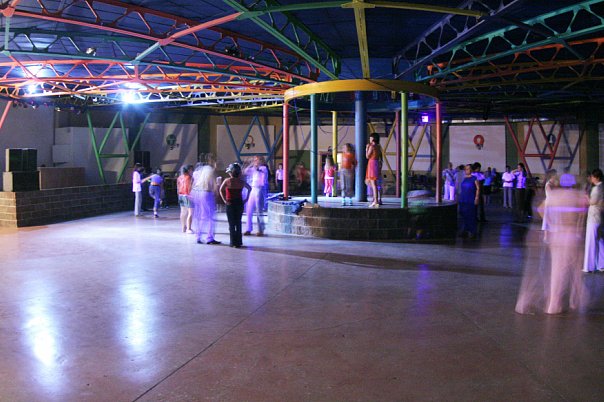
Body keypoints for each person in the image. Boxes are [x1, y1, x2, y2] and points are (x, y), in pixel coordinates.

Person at [220, 163, 251, 248]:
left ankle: (233, 242)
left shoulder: (227, 181)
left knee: (231, 223)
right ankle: (239, 242)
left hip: (230, 203)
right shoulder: (241, 182)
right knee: (238, 222)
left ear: (231, 172)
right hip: (239, 203)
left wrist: (224, 200)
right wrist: (246, 199)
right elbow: (249, 188)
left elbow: (221, 190)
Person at [191, 162, 221, 245]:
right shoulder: (210, 173)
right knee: (210, 217)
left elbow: (193, 184)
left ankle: (198, 236)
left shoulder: (198, 173)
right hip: (206, 194)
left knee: (200, 216)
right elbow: (214, 187)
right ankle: (210, 238)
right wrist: (218, 186)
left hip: (197, 192)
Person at [583, 168, 604, 273]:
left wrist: (587, 197)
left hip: (594, 217)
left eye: (592, 176)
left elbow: (592, 202)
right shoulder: (602, 187)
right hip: (600, 217)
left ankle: (589, 266)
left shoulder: (596, 189)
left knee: (590, 242)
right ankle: (601, 264)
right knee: (600, 241)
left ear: (597, 177)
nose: (591, 178)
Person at [244, 156, 268, 236]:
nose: (255, 161)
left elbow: (259, 171)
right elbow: (245, 171)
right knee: (249, 209)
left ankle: (260, 229)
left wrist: (255, 166)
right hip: (253, 189)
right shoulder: (253, 168)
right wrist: (250, 164)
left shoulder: (263, 168)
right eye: (255, 160)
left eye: (256, 160)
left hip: (260, 189)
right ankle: (248, 229)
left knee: (259, 210)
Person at [459, 164, 480, 238]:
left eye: (468, 169)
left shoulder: (474, 178)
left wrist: (476, 198)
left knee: (471, 215)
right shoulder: (464, 178)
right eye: (465, 169)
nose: (466, 170)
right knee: (463, 214)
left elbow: (478, 188)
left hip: (470, 198)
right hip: (463, 198)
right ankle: (464, 230)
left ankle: (472, 231)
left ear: (471, 170)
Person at [365, 133, 383, 208]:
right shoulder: (378, 146)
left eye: (370, 138)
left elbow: (367, 156)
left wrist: (366, 149)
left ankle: (375, 200)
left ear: (373, 139)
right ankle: (376, 199)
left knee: (373, 183)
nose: (369, 139)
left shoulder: (372, 146)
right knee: (372, 182)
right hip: (376, 163)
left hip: (372, 164)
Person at [541, 169, 558, 243]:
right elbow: (551, 194)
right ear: (552, 175)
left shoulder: (554, 183)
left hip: (554, 204)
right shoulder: (548, 184)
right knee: (547, 219)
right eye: (555, 174)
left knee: (554, 219)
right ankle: (546, 237)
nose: (556, 176)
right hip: (549, 204)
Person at [177, 164, 194, 233]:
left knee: (183, 212)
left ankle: (183, 227)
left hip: (181, 195)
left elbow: (178, 187)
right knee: (190, 212)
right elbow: (190, 187)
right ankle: (189, 228)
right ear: (189, 170)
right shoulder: (190, 177)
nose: (192, 171)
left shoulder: (179, 177)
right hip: (188, 195)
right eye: (191, 170)